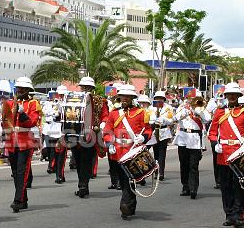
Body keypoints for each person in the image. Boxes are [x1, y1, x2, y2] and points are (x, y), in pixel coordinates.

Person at [208, 83, 244, 228]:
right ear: (227, 96)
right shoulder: (219, 112)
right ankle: (229, 214)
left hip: (238, 153)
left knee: (238, 185)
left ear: (238, 96)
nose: (232, 97)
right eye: (229, 95)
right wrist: (215, 142)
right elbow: (212, 132)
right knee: (226, 186)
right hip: (223, 154)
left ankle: (239, 214)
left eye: (234, 94)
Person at [102, 85, 147, 220]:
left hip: (132, 152)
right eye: (123, 96)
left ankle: (125, 205)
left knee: (130, 180)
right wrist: (109, 143)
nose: (125, 98)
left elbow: (148, 130)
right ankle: (130, 203)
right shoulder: (114, 113)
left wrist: (143, 137)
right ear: (120, 97)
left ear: (132, 98)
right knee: (122, 180)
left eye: (128, 96)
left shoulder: (140, 113)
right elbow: (107, 130)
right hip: (117, 152)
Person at [1, 77, 41, 212]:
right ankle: (23, 200)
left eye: (23, 89)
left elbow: (32, 123)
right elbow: (4, 122)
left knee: (21, 171)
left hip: (25, 141)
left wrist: (22, 114)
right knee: (15, 172)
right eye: (18, 88)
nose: (19, 90)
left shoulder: (33, 103)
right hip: (12, 141)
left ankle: (17, 200)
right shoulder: (9, 103)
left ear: (28, 90)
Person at [71, 76, 108, 198]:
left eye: (88, 87)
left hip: (91, 135)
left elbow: (105, 116)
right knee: (77, 160)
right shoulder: (75, 100)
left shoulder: (100, 100)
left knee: (86, 160)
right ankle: (82, 183)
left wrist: (101, 125)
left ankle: (83, 185)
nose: (85, 89)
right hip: (75, 134)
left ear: (92, 88)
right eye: (83, 87)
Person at [173, 93, 211, 199]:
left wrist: (199, 112)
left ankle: (193, 188)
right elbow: (175, 118)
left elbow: (208, 119)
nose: (192, 100)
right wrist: (184, 113)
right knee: (183, 164)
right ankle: (185, 186)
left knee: (193, 165)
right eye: (190, 98)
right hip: (183, 137)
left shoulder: (201, 108)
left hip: (195, 138)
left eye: (193, 98)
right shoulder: (182, 108)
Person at [150, 90, 175, 181]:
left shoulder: (168, 107)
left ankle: (161, 172)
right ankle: (156, 171)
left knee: (162, 153)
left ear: (164, 99)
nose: (159, 100)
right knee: (155, 153)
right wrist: (154, 120)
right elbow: (149, 119)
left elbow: (171, 120)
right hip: (154, 131)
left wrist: (163, 119)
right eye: (157, 98)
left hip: (164, 131)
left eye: (161, 98)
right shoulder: (151, 108)